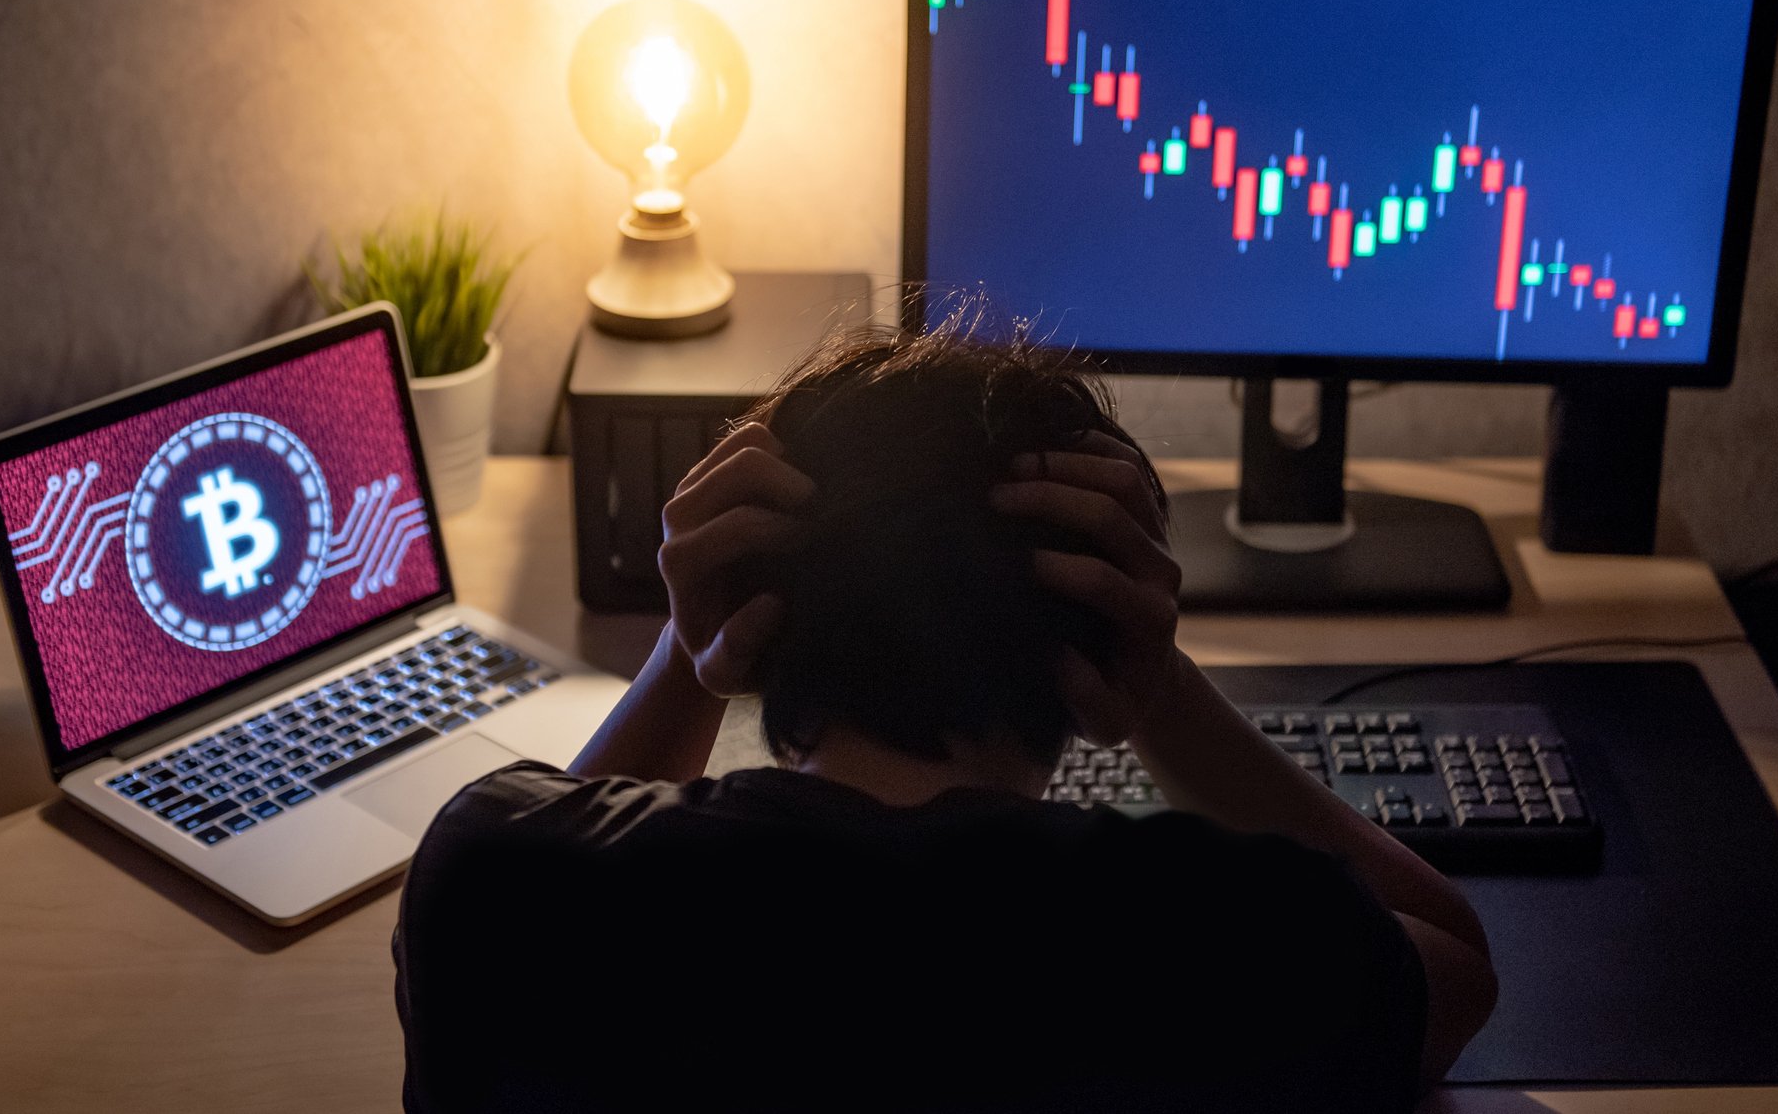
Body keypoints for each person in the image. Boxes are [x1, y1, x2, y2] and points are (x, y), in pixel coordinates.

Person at [394, 317, 1497, 1113]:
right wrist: (1159, 686)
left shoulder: (492, 891)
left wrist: (690, 653)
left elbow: (575, 818)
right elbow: (1453, 960)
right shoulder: (1239, 951)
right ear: (1094, 641)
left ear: (748, 609)